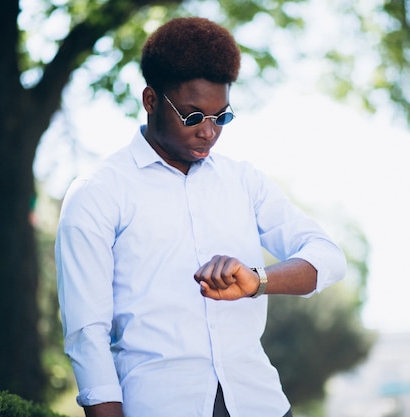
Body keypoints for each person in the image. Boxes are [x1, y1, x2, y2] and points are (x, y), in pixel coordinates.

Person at [55, 16, 347, 417]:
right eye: (193, 116)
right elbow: (87, 335)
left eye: (221, 117)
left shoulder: (244, 182)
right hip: (160, 405)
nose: (209, 132)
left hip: (260, 404)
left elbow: (328, 257)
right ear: (151, 101)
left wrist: (257, 281)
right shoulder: (97, 194)